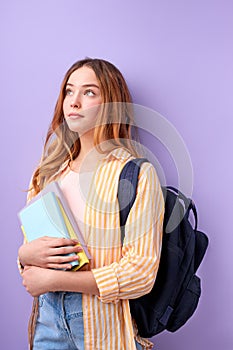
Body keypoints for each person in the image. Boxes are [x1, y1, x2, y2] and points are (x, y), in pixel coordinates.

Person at [18, 58, 165, 350]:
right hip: (47, 321)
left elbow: (141, 274)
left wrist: (54, 281)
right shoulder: (46, 174)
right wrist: (24, 255)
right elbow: (33, 261)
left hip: (103, 326)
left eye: (89, 92)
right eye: (69, 91)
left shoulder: (135, 175)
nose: (74, 102)